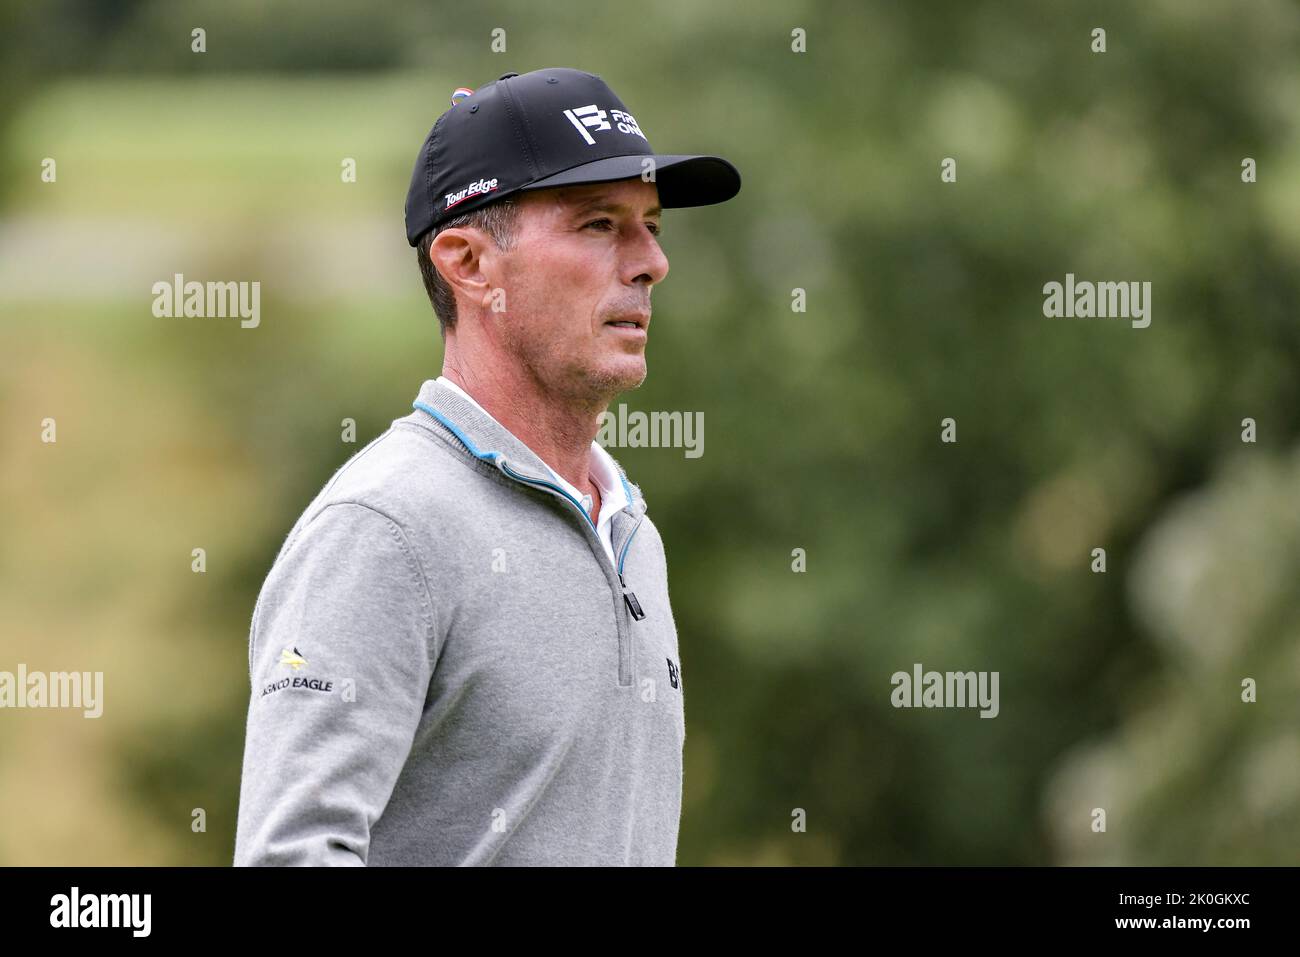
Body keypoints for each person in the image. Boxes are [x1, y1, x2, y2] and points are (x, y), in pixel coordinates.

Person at [233, 67, 741, 865]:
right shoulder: (384, 530)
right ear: (468, 262)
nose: (651, 263)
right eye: (600, 224)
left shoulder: (631, 531)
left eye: (653, 225)